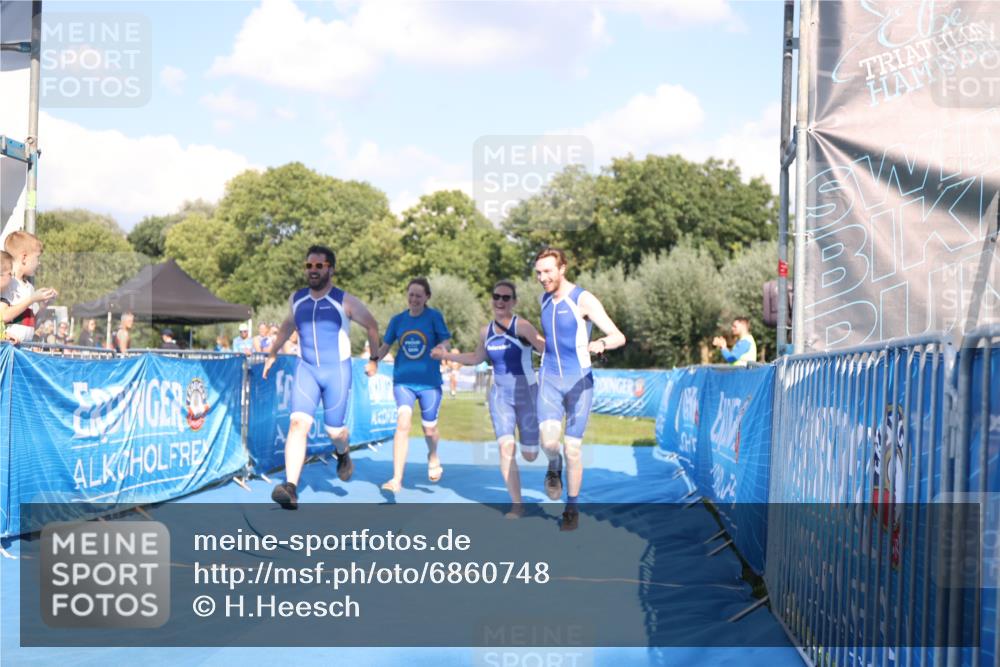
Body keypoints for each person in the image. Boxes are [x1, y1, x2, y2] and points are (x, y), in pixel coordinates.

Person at [263, 245, 381, 510]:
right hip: (306, 370)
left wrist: (374, 360)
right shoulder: (298, 299)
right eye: (309, 266)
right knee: (297, 424)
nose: (313, 271)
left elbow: (372, 326)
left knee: (334, 431)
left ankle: (343, 452)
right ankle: (290, 488)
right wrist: (272, 352)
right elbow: (288, 325)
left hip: (336, 371)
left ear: (330, 269)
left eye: (319, 266)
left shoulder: (344, 300)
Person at [433, 280, 544, 516]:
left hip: (527, 395)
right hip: (500, 396)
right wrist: (445, 355)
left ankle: (554, 461)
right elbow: (475, 357)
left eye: (506, 298)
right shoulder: (486, 332)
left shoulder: (522, 326)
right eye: (497, 296)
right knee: (506, 448)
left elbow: (545, 347)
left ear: (514, 302)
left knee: (530, 455)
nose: (500, 301)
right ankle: (517, 505)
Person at [534, 247, 626, 530]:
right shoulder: (543, 300)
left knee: (573, 448)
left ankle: (571, 508)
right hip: (549, 379)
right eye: (538, 272)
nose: (543, 277)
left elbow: (618, 336)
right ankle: (553, 465)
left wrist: (600, 344)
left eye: (548, 271)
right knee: (549, 444)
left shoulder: (582, 299)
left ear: (562, 269)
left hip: (579, 383)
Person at [371, 277, 451, 493]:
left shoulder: (434, 317)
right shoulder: (398, 320)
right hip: (403, 382)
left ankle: (433, 455)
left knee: (429, 429)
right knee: (403, 423)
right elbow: (385, 346)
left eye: (418, 295)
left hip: (429, 383)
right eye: (411, 295)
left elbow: (446, 340)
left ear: (426, 297)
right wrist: (373, 360)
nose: (414, 299)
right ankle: (396, 479)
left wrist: (442, 349)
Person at [1, 231, 57, 343]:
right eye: (37, 257)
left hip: (24, 348)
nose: (39, 263)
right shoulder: (8, 283)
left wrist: (43, 306)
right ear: (24, 257)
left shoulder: (29, 287)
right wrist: (32, 299)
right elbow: (3, 316)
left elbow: (31, 324)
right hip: (9, 349)